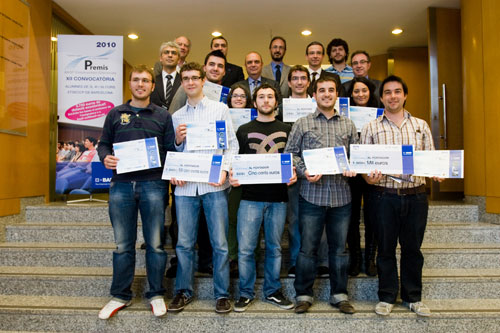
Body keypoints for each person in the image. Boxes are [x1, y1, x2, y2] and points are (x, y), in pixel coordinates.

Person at [360, 75, 443, 317]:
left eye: (397, 91)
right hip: (383, 196)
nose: (393, 96)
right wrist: (369, 177)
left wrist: (437, 171)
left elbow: (431, 157)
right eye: (387, 92)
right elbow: (365, 167)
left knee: (412, 249)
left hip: (416, 196)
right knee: (384, 249)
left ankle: (413, 297)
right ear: (381, 97)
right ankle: (386, 296)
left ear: (405, 95)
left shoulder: (420, 125)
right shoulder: (371, 127)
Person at [97, 64, 175, 319]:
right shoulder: (115, 113)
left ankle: (156, 293)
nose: (141, 84)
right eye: (136, 80)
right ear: (130, 84)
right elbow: (104, 144)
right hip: (121, 186)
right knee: (122, 245)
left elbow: (170, 150)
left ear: (153, 86)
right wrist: (106, 157)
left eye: (146, 81)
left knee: (155, 244)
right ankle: (120, 294)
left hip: (154, 185)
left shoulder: (163, 116)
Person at [168, 62, 238, 314]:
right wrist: (177, 141)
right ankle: (183, 292)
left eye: (194, 78)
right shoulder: (176, 117)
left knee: (219, 244)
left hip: (213, 186)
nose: (189, 82)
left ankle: (221, 294)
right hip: (185, 189)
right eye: (185, 78)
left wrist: (223, 171)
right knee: (184, 244)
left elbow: (231, 145)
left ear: (203, 81)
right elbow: (172, 153)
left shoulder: (220, 109)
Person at [285, 76, 358, 314]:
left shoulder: (348, 124)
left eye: (331, 90)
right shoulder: (302, 123)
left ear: (337, 94)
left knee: (339, 249)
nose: (326, 94)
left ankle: (339, 295)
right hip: (311, 195)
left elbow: (354, 157)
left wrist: (352, 167)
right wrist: (305, 171)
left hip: (341, 197)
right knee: (307, 249)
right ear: (314, 95)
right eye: (322, 90)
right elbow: (291, 154)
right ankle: (303, 294)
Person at [230, 83, 296, 312]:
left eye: (270, 97)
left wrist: (293, 173)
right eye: (261, 97)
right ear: (254, 102)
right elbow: (235, 160)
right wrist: (233, 175)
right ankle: (246, 293)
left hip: (278, 199)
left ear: (276, 101)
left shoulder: (288, 129)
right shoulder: (243, 129)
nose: (266, 100)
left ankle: (272, 291)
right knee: (246, 249)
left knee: (275, 248)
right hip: (249, 199)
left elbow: (293, 160)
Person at [284, 65, 330, 278]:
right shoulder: (281, 107)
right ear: (290, 82)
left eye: (303, 78)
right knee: (294, 219)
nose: (300, 81)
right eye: (295, 78)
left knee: (319, 220)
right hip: (293, 169)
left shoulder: (319, 106)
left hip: (320, 172)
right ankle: (295, 262)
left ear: (309, 84)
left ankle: (321, 262)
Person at [345, 77, 379, 277]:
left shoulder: (378, 114)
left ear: (370, 93)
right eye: (356, 91)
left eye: (364, 91)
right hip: (352, 172)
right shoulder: (344, 115)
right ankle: (355, 260)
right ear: (351, 94)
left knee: (372, 217)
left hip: (373, 170)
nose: (360, 94)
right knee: (352, 217)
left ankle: (370, 260)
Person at [226, 82, 253, 278]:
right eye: (235, 95)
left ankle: (249, 259)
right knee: (231, 218)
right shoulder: (221, 117)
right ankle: (232, 258)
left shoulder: (253, 120)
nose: (238, 99)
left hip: (249, 175)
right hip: (227, 174)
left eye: (242, 96)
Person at [150, 41, 182, 112]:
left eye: (174, 53)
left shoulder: (184, 81)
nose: (170, 55)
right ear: (161, 58)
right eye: (166, 52)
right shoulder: (152, 81)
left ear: (179, 60)